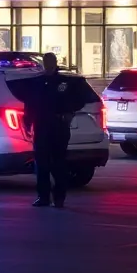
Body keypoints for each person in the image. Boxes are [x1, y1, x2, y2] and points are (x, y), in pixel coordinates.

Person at [11, 52, 89, 208]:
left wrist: (69, 113)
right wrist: (27, 122)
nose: (49, 65)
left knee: (58, 162)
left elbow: (80, 98)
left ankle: (59, 198)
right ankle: (43, 196)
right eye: (46, 62)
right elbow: (30, 103)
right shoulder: (38, 82)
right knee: (41, 163)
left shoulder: (65, 83)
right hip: (41, 125)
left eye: (51, 61)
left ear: (55, 63)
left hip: (59, 125)